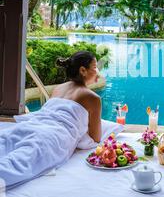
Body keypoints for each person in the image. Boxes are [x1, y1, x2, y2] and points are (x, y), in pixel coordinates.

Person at [0, 51, 101, 189]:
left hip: (30, 125)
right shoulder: (93, 98)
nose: (98, 72)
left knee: (4, 142)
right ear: (83, 70)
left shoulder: (58, 89)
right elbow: (96, 138)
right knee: (14, 166)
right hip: (52, 136)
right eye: (95, 67)